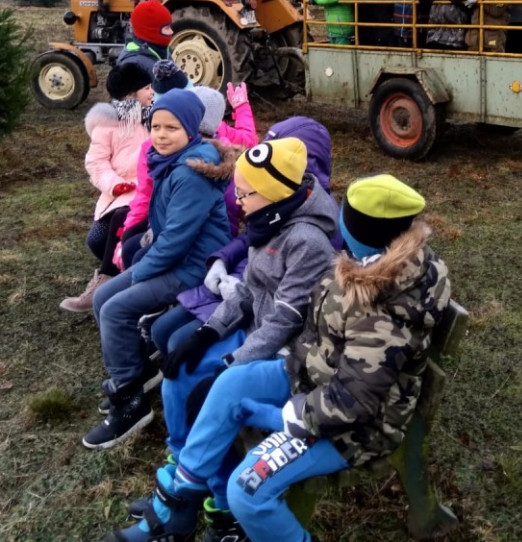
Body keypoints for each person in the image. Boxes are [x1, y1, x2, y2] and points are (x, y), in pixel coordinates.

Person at [99, 173, 451, 542]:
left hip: (353, 425)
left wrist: (281, 416)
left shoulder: (386, 312)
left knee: (249, 486)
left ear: (357, 231)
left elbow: (353, 402)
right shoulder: (366, 264)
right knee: (231, 382)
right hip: (312, 377)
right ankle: (176, 508)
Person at [154, 136, 339, 477]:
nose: (237, 201)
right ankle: (181, 455)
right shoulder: (268, 219)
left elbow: (283, 322)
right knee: (178, 374)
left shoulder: (306, 243)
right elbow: (249, 291)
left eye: (244, 193)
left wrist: (228, 367)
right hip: (255, 333)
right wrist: (206, 332)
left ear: (274, 192)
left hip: (284, 352)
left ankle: (216, 493)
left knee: (211, 396)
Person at [82, 89, 232, 450]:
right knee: (103, 296)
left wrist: (138, 268)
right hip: (174, 259)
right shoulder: (169, 161)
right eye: (156, 126)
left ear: (192, 130)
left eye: (173, 128)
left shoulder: (192, 172)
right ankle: (138, 370)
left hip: (195, 268)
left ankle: (131, 401)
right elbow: (162, 224)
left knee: (116, 306)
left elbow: (177, 241)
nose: (161, 135)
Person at [59, 61, 154, 314]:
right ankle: (120, 268)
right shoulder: (108, 126)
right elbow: (96, 162)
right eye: (147, 87)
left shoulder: (157, 118)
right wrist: (114, 184)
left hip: (149, 192)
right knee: (96, 240)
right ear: (130, 94)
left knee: (123, 225)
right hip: (120, 192)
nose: (152, 92)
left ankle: (106, 277)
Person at [117, 0, 174, 78]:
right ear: (150, 31)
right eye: (166, 28)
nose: (171, 32)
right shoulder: (133, 66)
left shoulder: (163, 52)